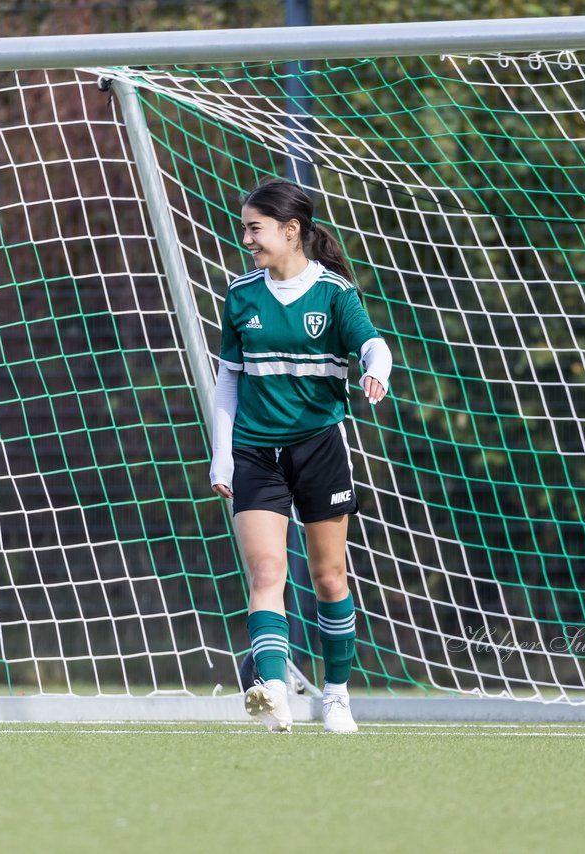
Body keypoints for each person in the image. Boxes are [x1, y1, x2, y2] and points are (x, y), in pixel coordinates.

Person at [211, 178, 391, 734]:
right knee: (266, 571)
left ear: (291, 232)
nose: (246, 238)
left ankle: (335, 695)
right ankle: (271, 693)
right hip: (255, 452)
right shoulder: (241, 295)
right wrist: (222, 456)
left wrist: (374, 372)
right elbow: (228, 383)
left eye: (254, 228)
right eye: (245, 227)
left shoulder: (334, 294)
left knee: (329, 577)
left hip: (319, 448)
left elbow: (373, 345)